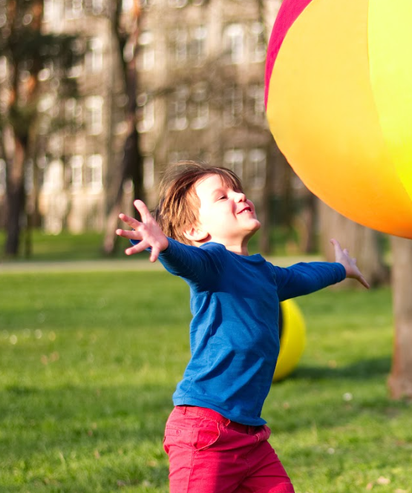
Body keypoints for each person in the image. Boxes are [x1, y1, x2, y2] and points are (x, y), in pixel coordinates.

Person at [116, 162, 369, 493]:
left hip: (251, 438)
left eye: (237, 190)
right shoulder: (213, 262)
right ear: (195, 230)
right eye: (222, 197)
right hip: (206, 431)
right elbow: (188, 262)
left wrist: (340, 269)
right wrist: (163, 245)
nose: (239, 196)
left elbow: (303, 275)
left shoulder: (265, 273)